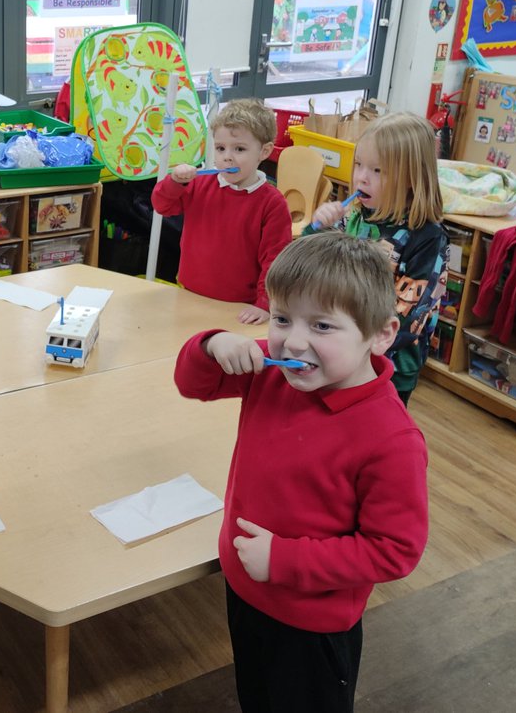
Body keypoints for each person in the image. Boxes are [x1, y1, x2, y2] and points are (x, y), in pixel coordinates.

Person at [173, 232, 429, 713]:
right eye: (282, 317)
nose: (293, 340)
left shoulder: (391, 439)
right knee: (257, 697)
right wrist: (210, 345)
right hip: (245, 589)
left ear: (381, 334)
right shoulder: (277, 370)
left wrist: (285, 562)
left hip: (312, 624)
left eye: (323, 326)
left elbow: (396, 551)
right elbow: (194, 385)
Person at [304, 112, 447, 404]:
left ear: (411, 178)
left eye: (378, 170)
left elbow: (408, 313)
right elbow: (310, 267)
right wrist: (316, 229)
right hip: (343, 351)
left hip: (389, 365)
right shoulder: (355, 215)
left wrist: (357, 344)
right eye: (359, 165)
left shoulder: (428, 238)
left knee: (374, 434)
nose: (361, 177)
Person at [151, 98, 292, 323]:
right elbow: (162, 205)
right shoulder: (198, 185)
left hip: (238, 309)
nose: (227, 157)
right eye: (220, 148)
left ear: (264, 151)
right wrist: (175, 181)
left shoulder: (272, 203)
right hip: (188, 294)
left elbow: (275, 261)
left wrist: (265, 305)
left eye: (239, 149)